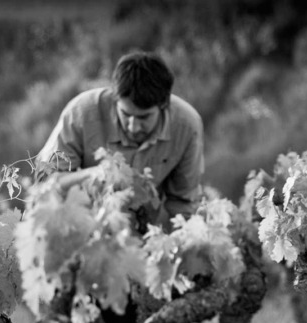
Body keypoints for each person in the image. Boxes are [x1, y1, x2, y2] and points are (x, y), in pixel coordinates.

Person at [37, 50, 205, 228]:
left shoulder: (187, 125)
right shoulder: (81, 112)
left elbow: (183, 205)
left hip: (139, 236)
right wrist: (92, 174)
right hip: (78, 229)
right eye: (126, 114)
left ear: (163, 105)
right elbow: (46, 184)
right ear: (115, 98)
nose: (133, 126)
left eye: (143, 118)